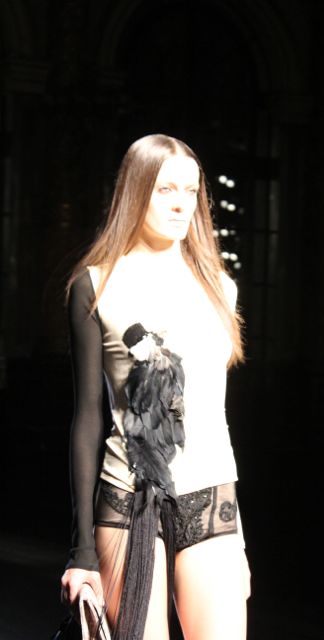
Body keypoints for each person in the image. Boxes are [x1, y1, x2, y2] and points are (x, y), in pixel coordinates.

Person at [60, 133, 250, 639]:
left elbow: (216, 416)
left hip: (211, 499)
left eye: (191, 190)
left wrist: (239, 541)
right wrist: (82, 552)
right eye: (165, 189)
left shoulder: (220, 287)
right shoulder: (95, 284)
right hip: (128, 498)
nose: (181, 203)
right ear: (136, 190)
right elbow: (88, 416)